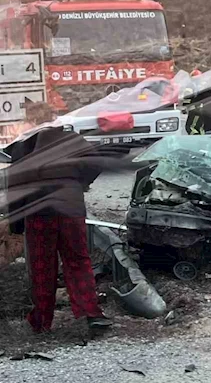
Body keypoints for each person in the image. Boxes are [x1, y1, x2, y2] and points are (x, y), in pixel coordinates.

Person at [5, 110, 129, 334]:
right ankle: (90, 313)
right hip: (71, 208)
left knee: (43, 265)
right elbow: (95, 163)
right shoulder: (73, 139)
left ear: (32, 122)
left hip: (40, 211)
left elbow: (15, 185)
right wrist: (79, 182)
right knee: (78, 260)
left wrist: (16, 222)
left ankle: (41, 322)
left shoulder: (24, 146)